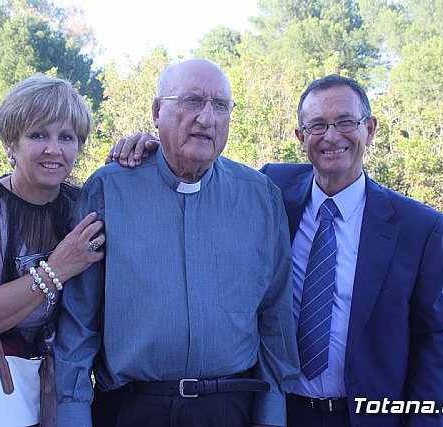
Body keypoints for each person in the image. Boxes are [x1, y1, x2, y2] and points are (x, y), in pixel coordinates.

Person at [109, 74, 443, 427]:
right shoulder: (269, 192)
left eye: (345, 122)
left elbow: (435, 339)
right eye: (318, 125)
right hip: (277, 410)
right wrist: (151, 145)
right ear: (300, 137)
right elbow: (201, 165)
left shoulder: (419, 228)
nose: (332, 136)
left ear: (370, 129)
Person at [54, 59, 299, 427]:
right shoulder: (109, 189)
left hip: (230, 409)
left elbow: (275, 316)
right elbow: (79, 322)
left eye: (220, 105)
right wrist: (73, 414)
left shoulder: (260, 197)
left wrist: (272, 415)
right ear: (157, 111)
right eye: (191, 100)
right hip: (131, 410)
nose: (206, 118)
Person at [0, 73, 106, 426]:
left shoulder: (81, 206)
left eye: (66, 137)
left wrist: (140, 148)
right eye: (37, 135)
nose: (54, 149)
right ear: (10, 142)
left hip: (57, 392)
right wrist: (56, 269)